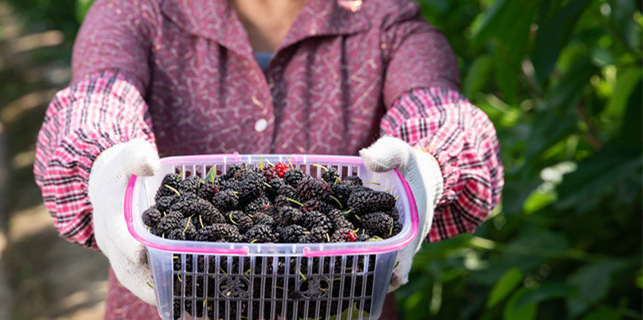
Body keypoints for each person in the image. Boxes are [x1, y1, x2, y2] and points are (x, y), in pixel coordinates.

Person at [34, 0, 504, 318]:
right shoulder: (137, 12)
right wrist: (102, 160)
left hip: (335, 305)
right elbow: (98, 96)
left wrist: (431, 165)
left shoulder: (388, 25)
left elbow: (435, 105)